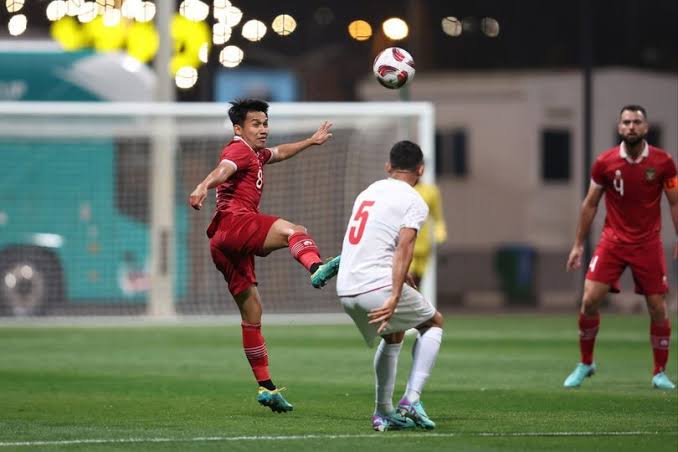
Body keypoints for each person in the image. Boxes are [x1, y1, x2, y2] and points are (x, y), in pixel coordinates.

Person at [189, 99, 341, 412]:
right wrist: (204, 184)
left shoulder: (255, 153)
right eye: (256, 124)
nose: (263, 130)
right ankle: (316, 267)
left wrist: (311, 142)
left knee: (252, 315)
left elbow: (280, 152)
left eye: (265, 124)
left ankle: (266, 387)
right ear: (238, 129)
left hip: (221, 242)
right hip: (235, 223)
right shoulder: (238, 150)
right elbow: (224, 168)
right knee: (294, 230)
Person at [563, 105, 678, 390]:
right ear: (619, 128)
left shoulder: (664, 163)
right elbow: (590, 203)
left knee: (657, 307)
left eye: (636, 122)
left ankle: (659, 372)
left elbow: (675, 201)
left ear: (646, 128)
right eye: (626, 122)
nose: (631, 127)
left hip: (648, 243)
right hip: (612, 241)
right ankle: (586, 363)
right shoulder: (605, 162)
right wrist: (578, 244)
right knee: (589, 300)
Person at [336, 140, 444, 431]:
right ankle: (411, 399)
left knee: (393, 336)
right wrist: (395, 294)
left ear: (388, 167)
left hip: (346, 288)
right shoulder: (414, 200)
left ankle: (383, 412)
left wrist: (399, 279)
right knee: (433, 323)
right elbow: (404, 247)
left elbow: (370, 240)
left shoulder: (368, 192)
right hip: (377, 286)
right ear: (420, 170)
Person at [410, 182, 447, 288]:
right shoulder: (401, 191)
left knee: (417, 283)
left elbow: (438, 217)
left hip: (423, 245)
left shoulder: (431, 191)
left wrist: (440, 233)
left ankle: (412, 303)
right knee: (407, 278)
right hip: (405, 244)